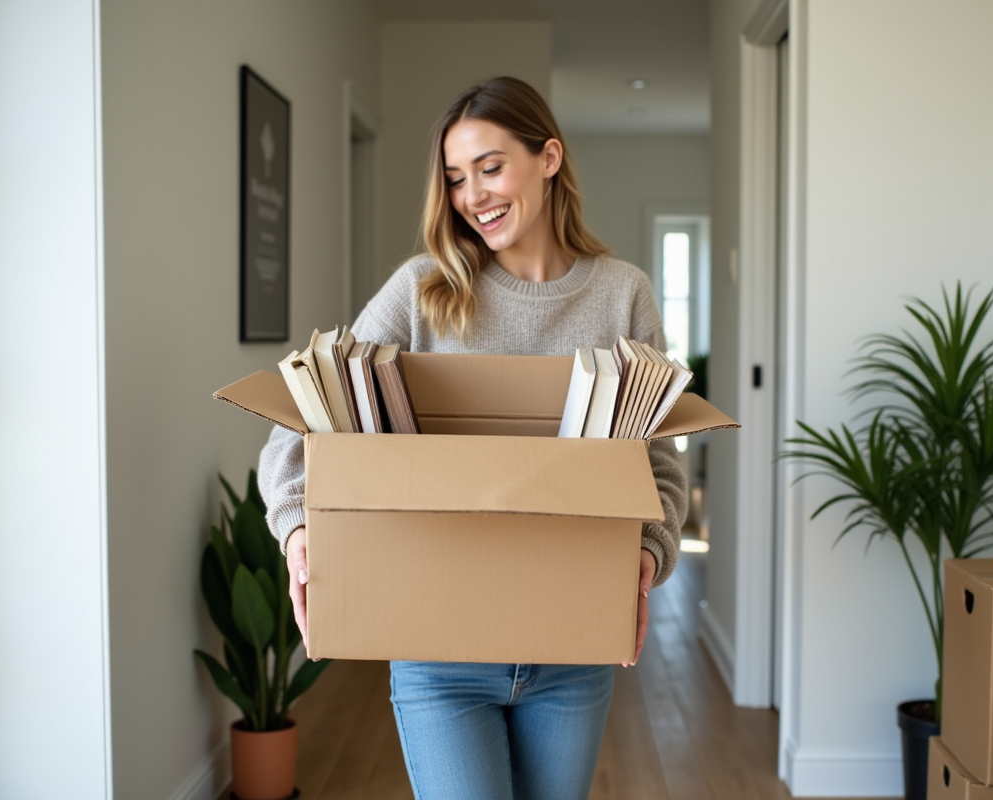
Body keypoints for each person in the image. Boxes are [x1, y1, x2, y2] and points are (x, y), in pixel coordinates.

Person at [258, 76, 687, 800]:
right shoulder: (423, 290)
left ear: (548, 157)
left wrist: (650, 548)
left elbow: (660, 462)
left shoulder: (623, 294)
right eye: (456, 179)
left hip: (572, 649)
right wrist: (299, 525)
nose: (472, 195)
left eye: (490, 167)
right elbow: (303, 414)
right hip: (438, 655)